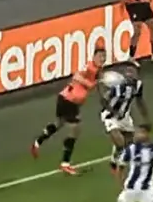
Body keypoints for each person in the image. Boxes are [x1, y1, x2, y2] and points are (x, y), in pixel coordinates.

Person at [31, 45, 106, 175]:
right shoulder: (88, 66)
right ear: (94, 56)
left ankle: (37, 142)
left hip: (68, 99)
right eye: (100, 56)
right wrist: (90, 84)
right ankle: (65, 163)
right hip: (68, 100)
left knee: (59, 124)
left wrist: (102, 96)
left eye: (104, 56)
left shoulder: (99, 70)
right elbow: (76, 77)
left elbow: (97, 84)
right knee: (75, 129)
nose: (102, 58)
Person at [98, 64, 150, 173]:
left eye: (133, 72)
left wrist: (146, 118)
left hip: (125, 117)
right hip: (110, 115)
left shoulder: (138, 85)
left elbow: (140, 101)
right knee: (120, 142)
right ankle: (117, 166)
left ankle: (113, 160)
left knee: (129, 143)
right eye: (128, 72)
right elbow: (103, 100)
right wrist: (113, 111)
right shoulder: (118, 86)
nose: (130, 74)